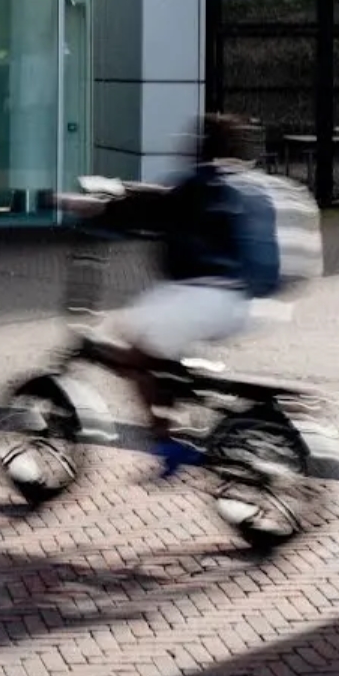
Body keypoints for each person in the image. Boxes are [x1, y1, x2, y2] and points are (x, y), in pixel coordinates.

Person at [55, 113, 284, 478]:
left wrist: (90, 207)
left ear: (199, 145)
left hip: (203, 297)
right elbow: (157, 201)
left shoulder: (202, 184)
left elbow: (146, 206)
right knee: (163, 352)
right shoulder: (241, 187)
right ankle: (184, 413)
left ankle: (169, 443)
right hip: (245, 302)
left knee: (132, 344)